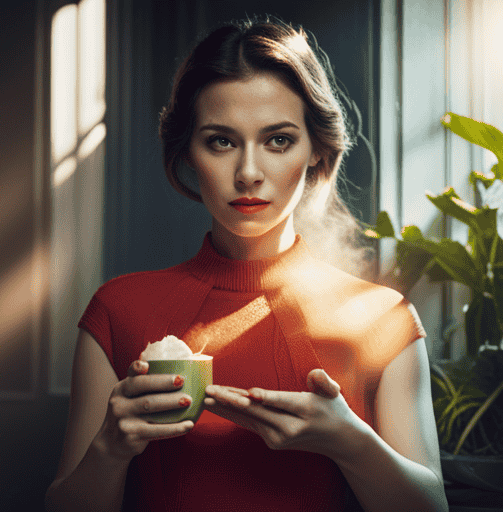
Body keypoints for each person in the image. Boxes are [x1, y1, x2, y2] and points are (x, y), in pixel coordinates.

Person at [45, 16, 449, 512]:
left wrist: (352, 443)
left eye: (278, 140)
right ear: (188, 153)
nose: (249, 173)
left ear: (317, 151)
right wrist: (108, 449)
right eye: (221, 141)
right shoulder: (117, 310)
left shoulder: (383, 320)